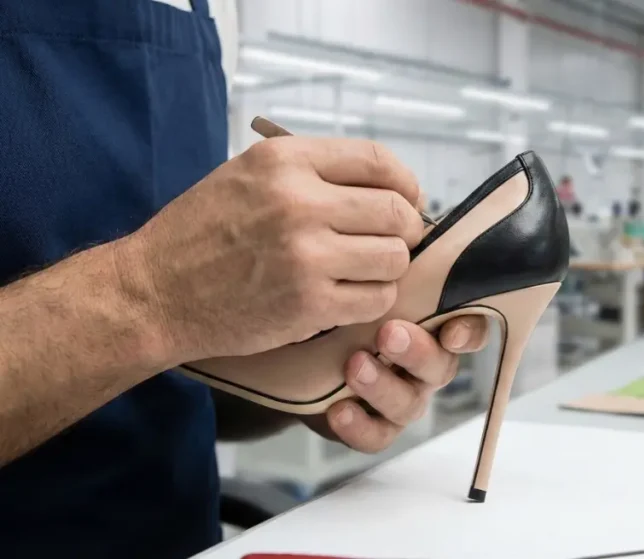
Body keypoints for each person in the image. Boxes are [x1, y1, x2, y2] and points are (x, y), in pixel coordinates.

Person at [0, 1, 488, 557]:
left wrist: (319, 368)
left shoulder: (212, 10)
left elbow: (183, 385)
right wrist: (151, 295)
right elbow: (167, 306)